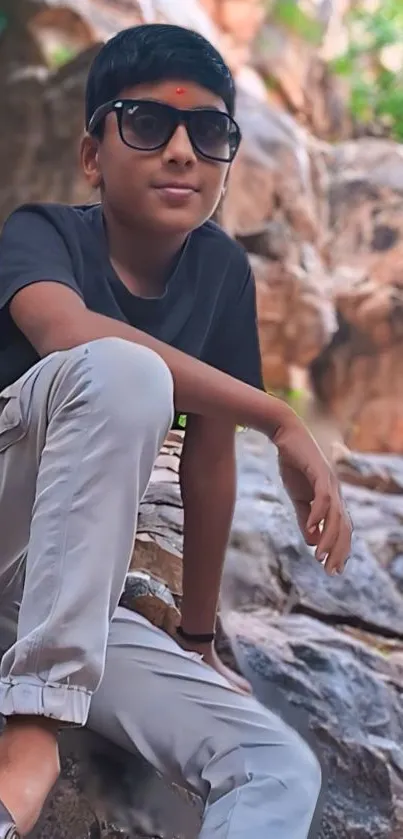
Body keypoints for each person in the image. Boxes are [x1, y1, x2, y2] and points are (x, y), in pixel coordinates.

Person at [0, 23, 351, 839]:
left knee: (275, 765)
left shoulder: (220, 271)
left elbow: (209, 453)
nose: (183, 151)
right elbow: (69, 336)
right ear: (93, 155)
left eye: (211, 131)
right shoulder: (40, 232)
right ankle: (31, 732)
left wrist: (197, 635)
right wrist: (279, 414)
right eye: (148, 124)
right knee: (125, 373)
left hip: (57, 593)